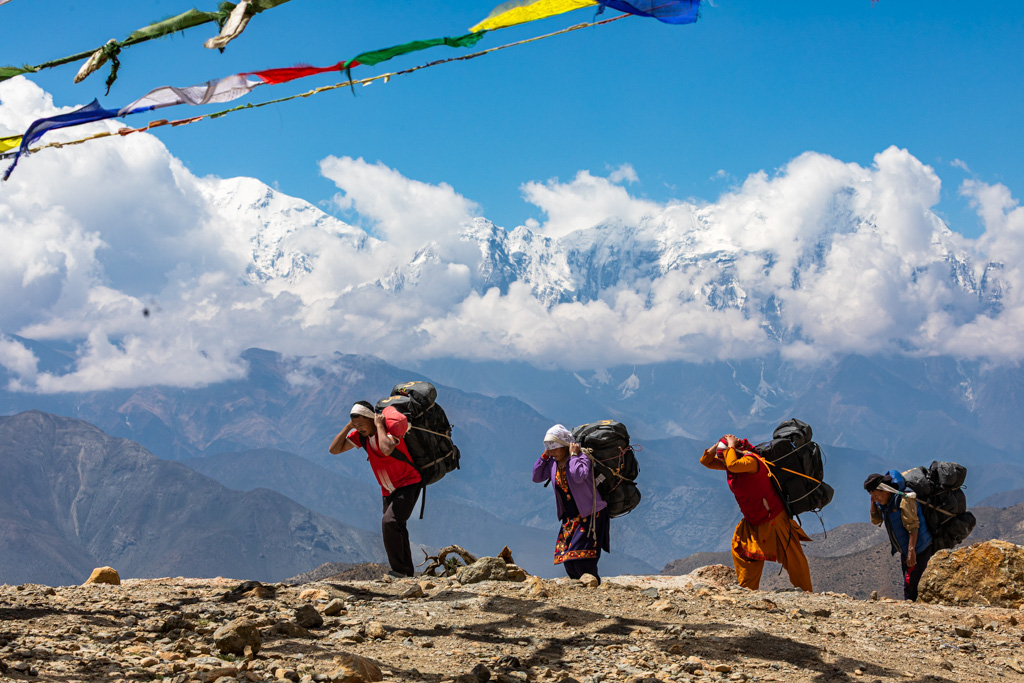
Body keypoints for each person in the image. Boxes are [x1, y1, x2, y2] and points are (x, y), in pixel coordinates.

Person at [700, 434, 813, 592]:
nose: (723, 460)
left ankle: (807, 592)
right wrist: (719, 443)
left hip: (774, 519)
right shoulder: (732, 465)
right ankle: (748, 591)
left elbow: (732, 465)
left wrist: (729, 445)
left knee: (794, 559)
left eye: (724, 455)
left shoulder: (751, 461)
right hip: (753, 520)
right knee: (742, 550)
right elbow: (706, 461)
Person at [329, 401, 422, 578]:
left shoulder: (388, 431)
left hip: (408, 482)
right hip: (388, 489)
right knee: (397, 527)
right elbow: (334, 450)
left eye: (361, 424)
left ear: (372, 419)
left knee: (390, 523)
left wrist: (379, 425)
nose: (359, 428)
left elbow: (387, 449)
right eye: (356, 425)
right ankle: (406, 573)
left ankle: (400, 571)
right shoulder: (360, 436)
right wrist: (349, 426)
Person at [532, 424, 610, 583]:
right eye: (549, 448)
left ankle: (592, 588)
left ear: (565, 446)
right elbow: (536, 476)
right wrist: (544, 456)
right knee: (568, 562)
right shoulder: (553, 463)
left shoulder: (582, 458)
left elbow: (578, 476)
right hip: (570, 519)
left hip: (590, 515)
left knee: (582, 559)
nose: (552, 451)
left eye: (554, 448)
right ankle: (584, 590)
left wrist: (574, 455)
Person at [864, 471, 933, 601]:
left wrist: (911, 552)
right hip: (906, 549)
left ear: (885, 491)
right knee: (910, 581)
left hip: (919, 548)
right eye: (873, 497)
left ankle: (913, 610)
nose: (877, 499)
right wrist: (873, 501)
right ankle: (914, 607)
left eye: (877, 495)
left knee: (910, 584)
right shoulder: (884, 503)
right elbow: (876, 520)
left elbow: (913, 527)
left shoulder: (905, 499)